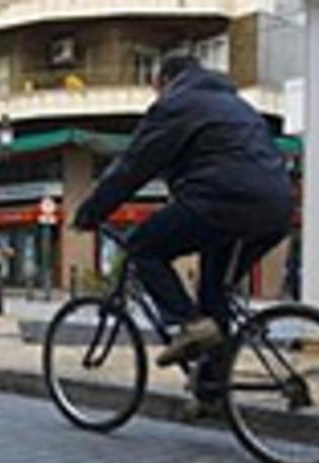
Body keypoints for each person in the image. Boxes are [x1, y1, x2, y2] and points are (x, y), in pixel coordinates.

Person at [72, 54, 292, 370]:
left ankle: (187, 323)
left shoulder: (177, 104)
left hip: (223, 201)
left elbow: (134, 165)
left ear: (163, 81)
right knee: (213, 293)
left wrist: (92, 211)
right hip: (276, 207)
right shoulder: (236, 105)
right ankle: (212, 390)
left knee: (142, 247)